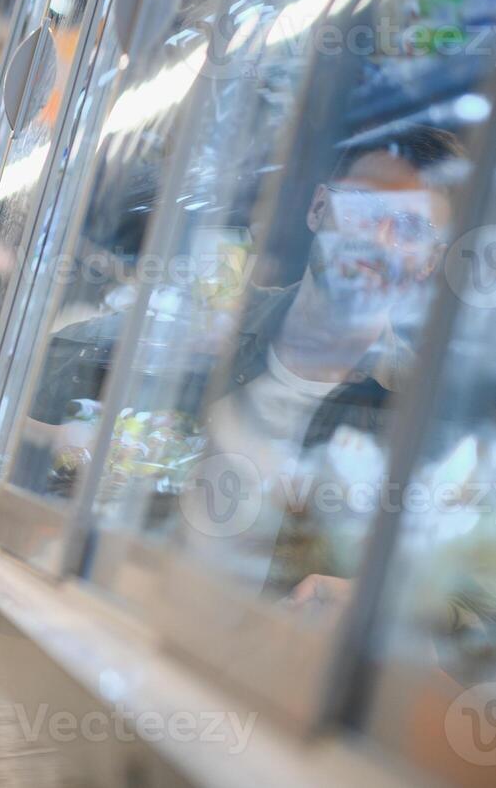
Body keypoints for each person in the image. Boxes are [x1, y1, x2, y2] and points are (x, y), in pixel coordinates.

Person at [26, 124, 465, 599]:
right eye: (364, 205)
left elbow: (468, 601)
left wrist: (369, 602)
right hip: (130, 618)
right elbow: (37, 379)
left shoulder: (427, 418)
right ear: (320, 208)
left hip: (268, 666)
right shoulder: (215, 320)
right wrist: (153, 355)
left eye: (412, 228)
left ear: (428, 260)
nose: (380, 240)